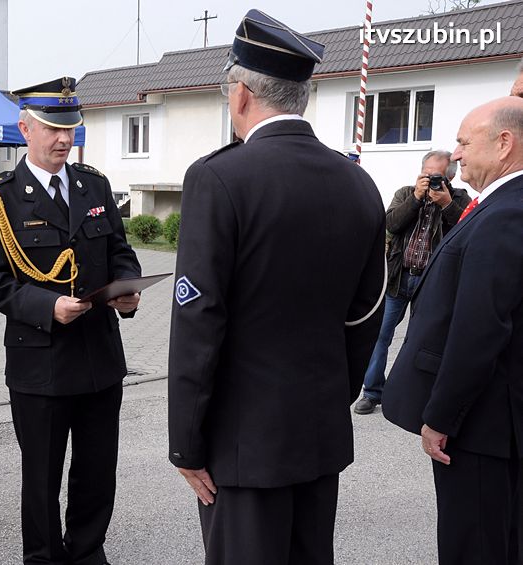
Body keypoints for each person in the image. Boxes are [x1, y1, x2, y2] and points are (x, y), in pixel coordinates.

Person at [167, 10, 386, 564]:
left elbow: (199, 321)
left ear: (240, 94)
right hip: (318, 433)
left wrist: (186, 443)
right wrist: (330, 397)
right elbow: (366, 314)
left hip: (244, 443)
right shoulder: (359, 182)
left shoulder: (219, 177)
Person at [0, 76, 141, 565]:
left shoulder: (94, 184)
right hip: (40, 362)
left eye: (70, 128)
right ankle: (43, 557)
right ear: (25, 129)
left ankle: (88, 551)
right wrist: (47, 307)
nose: (64, 138)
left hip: (99, 357)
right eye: (52, 128)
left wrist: (127, 288)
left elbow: (119, 250)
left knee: (97, 470)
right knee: (42, 475)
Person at [383, 96, 523, 565]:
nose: (456, 153)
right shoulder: (500, 205)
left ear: (504, 144)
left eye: (464, 142)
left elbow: (479, 331)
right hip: (494, 420)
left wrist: (441, 417)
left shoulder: (506, 214)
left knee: (476, 545)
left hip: (483, 426)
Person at [353, 151, 471, 415]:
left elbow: (466, 232)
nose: (429, 180)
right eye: (425, 173)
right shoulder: (406, 193)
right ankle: (372, 392)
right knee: (380, 335)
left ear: (449, 177)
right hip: (399, 277)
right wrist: (416, 199)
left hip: (431, 282)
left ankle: (414, 395)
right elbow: (390, 224)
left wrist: (446, 205)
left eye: (436, 175)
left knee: (422, 340)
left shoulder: (459, 199)